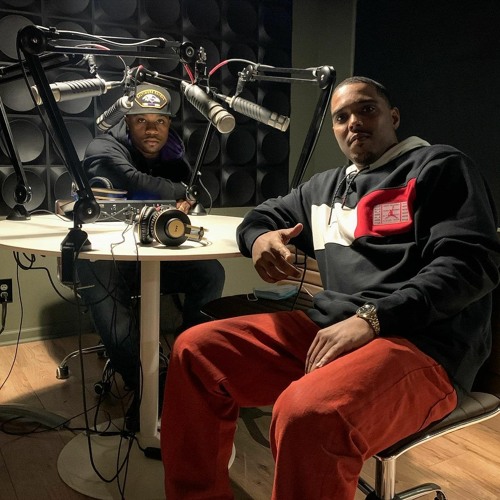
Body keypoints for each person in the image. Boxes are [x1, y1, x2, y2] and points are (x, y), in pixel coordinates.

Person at [159, 76, 500, 499]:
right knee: (196, 352)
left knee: (308, 414)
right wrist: (260, 239)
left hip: (422, 344)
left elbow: (470, 265)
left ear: (393, 116)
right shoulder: (324, 188)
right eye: (341, 117)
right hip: (332, 331)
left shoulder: (439, 166)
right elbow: (260, 217)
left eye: (366, 109)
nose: (353, 122)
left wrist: (373, 319)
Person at [76, 84, 225, 430]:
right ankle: (148, 386)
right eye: (141, 120)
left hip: (157, 254)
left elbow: (201, 197)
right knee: (96, 278)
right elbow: (132, 180)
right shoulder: (103, 146)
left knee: (212, 273)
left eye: (160, 121)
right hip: (111, 258)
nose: (152, 129)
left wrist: (189, 195)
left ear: (169, 123)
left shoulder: (174, 153)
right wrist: (180, 192)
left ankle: (186, 367)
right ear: (126, 121)